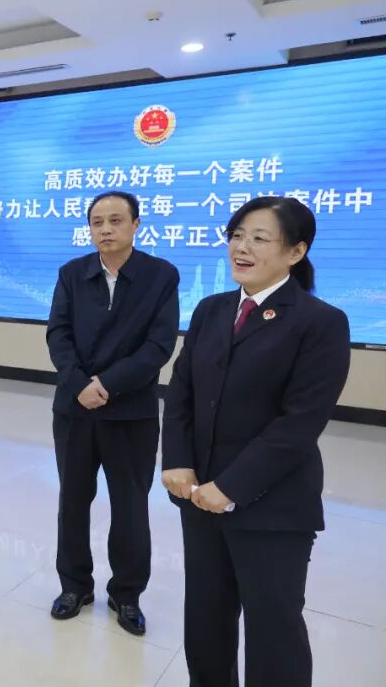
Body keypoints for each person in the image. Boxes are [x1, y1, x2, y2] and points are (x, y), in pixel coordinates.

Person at [161, 196, 350, 687]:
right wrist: (177, 460)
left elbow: (299, 424)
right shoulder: (211, 310)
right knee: (206, 621)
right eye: (237, 236)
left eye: (259, 238)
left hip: (272, 507)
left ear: (296, 252)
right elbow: (181, 391)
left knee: (273, 630)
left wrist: (231, 487)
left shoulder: (321, 322)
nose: (242, 247)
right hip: (199, 497)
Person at [46, 190, 179, 636]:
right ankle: (74, 586)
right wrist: (80, 385)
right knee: (72, 501)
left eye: (116, 220)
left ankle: (126, 594)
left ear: (136, 224)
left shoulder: (161, 275)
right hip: (74, 410)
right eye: (97, 222)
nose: (105, 229)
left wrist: (107, 384)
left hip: (131, 414)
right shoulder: (72, 273)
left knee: (130, 507)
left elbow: (159, 345)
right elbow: (58, 335)